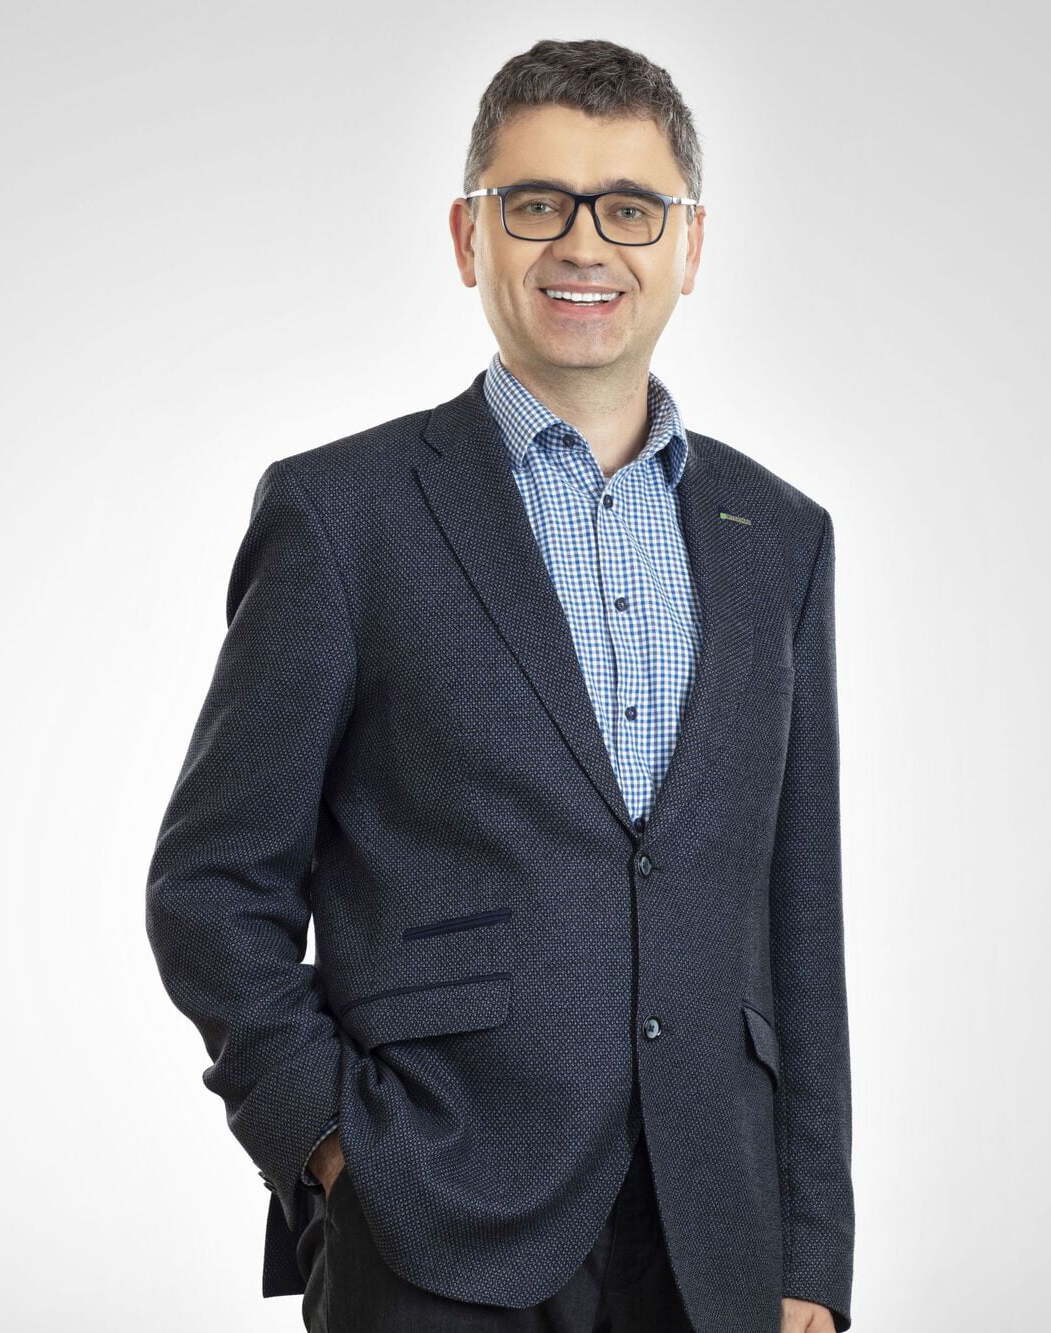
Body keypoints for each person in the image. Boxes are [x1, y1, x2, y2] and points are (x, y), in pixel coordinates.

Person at [145, 36, 854, 1333]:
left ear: (690, 246)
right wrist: (333, 1148)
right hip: (431, 1223)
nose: (585, 244)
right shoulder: (343, 514)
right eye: (537, 203)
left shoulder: (781, 538)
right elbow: (211, 885)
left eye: (630, 208)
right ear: (470, 235)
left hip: (716, 1237)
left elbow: (799, 919)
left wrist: (812, 1246)